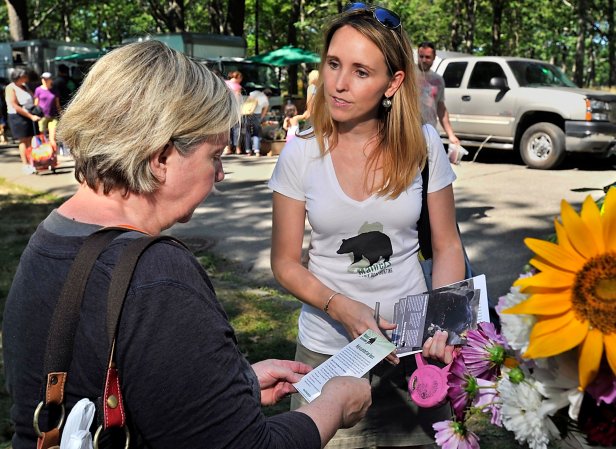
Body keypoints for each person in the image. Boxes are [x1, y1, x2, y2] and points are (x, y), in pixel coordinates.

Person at [3, 41, 372, 449]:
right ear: (161, 156)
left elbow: (112, 378)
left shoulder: (51, 235)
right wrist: (334, 404)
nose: (221, 175)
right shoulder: (157, 275)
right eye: (214, 156)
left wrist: (234, 385)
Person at [269, 5, 465, 448]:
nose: (338, 84)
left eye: (361, 72)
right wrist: (341, 307)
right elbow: (284, 262)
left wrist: (440, 328)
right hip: (329, 350)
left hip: (414, 354)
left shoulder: (424, 145)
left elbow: (448, 245)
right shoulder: (299, 153)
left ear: (393, 83)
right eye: (334, 64)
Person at [416, 41, 460, 146]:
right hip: (409, 130)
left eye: (427, 57)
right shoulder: (408, 74)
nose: (423, 60)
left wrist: (451, 135)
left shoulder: (438, 80)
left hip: (429, 131)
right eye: (421, 56)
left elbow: (441, 108)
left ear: (434, 57)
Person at [5, 68, 42, 174]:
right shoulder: (10, 88)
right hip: (18, 117)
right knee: (23, 141)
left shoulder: (25, 86)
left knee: (30, 140)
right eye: (24, 76)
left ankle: (31, 162)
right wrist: (30, 116)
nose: (26, 78)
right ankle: (25, 164)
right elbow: (14, 105)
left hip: (28, 115)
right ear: (19, 77)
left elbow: (32, 98)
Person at [33, 72, 61, 149]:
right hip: (42, 117)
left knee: (53, 138)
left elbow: (57, 104)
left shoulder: (55, 90)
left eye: (46, 79)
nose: (44, 80)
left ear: (51, 80)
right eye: (43, 78)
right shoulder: (38, 90)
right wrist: (35, 115)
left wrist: (61, 114)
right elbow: (36, 104)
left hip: (53, 116)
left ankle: (54, 158)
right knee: (42, 138)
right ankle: (45, 157)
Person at [243, 88, 271, 156]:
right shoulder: (266, 101)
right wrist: (260, 119)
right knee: (256, 132)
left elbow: (248, 101)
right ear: (269, 96)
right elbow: (263, 113)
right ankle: (257, 151)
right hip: (257, 115)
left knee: (248, 132)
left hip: (248, 113)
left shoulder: (255, 92)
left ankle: (248, 151)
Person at [224, 70, 244, 155]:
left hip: (225, 110)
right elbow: (238, 100)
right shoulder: (237, 86)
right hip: (235, 111)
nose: (241, 80)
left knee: (226, 130)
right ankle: (237, 149)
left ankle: (227, 148)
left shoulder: (224, 83)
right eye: (240, 78)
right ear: (237, 77)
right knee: (236, 130)